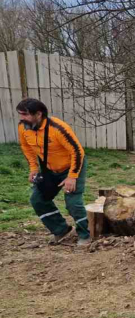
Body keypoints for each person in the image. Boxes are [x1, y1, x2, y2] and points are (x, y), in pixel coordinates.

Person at [17, 98, 90, 246]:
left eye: (25, 114)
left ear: (38, 114)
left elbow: (77, 152)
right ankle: (61, 230)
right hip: (49, 170)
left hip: (72, 167)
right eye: (20, 114)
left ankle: (85, 235)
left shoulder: (57, 128)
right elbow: (27, 149)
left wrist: (72, 176)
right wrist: (33, 168)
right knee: (37, 200)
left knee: (73, 203)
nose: (21, 118)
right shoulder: (23, 128)